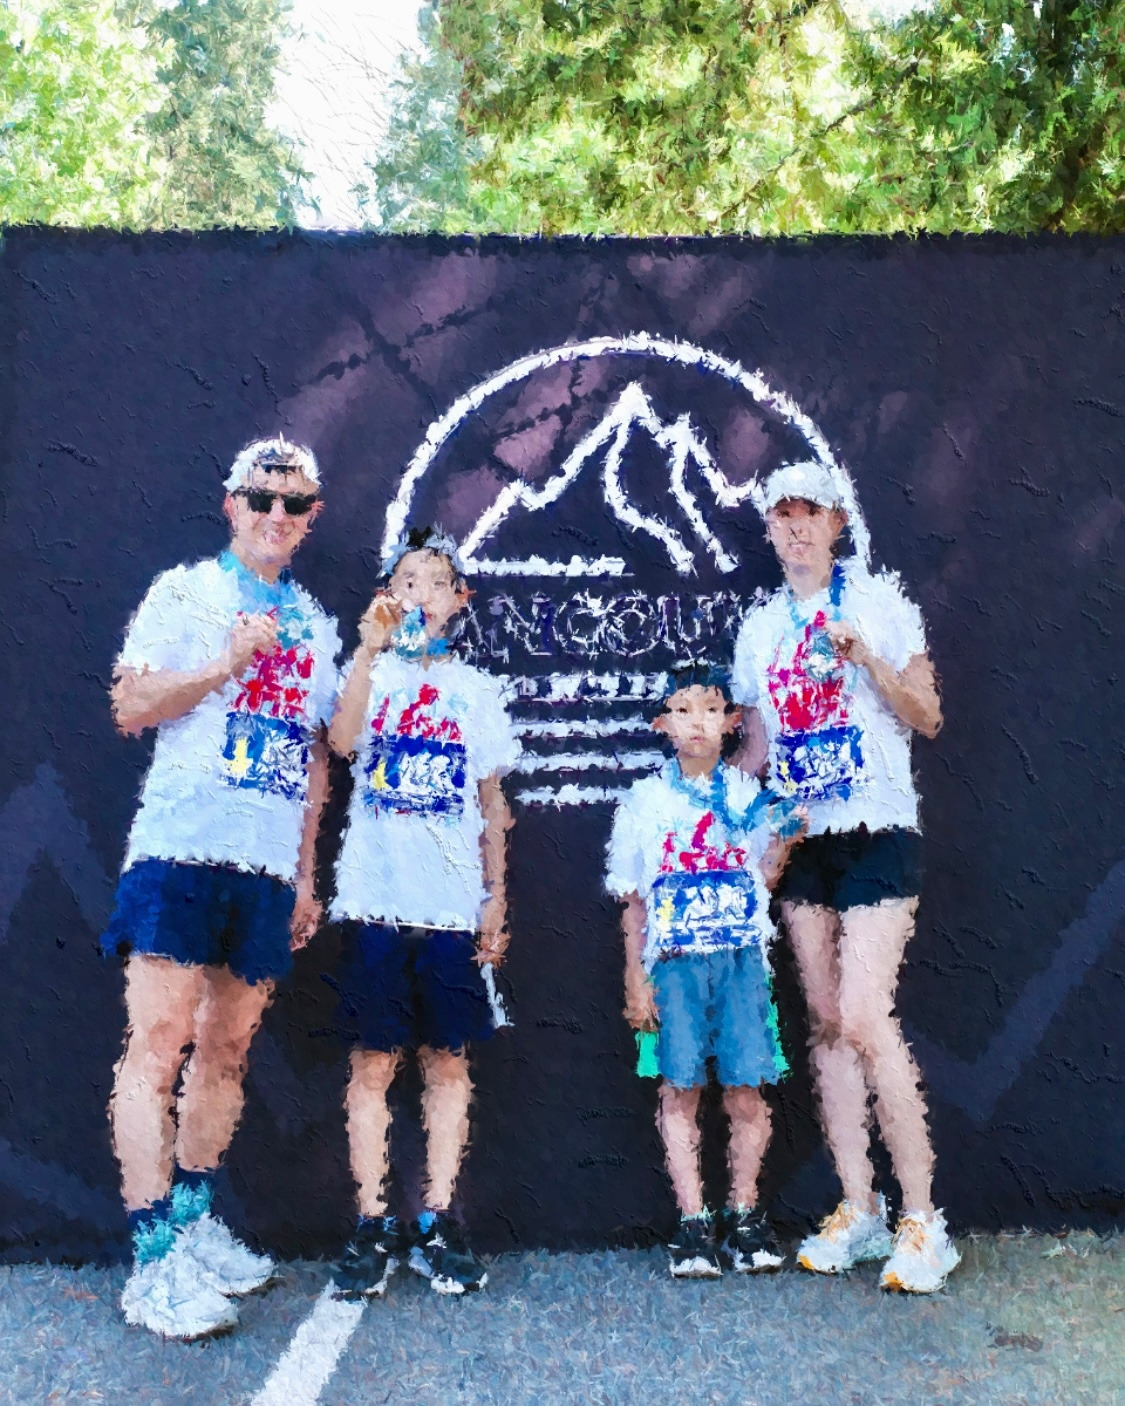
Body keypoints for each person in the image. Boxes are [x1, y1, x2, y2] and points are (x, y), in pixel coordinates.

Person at [102, 438, 340, 1339]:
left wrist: (305, 872)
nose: (276, 515)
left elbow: (314, 754)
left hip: (264, 865)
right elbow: (128, 706)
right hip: (180, 850)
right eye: (261, 498)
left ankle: (194, 1222)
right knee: (157, 1045)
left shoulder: (315, 622)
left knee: (228, 1049)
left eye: (293, 503)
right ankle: (152, 1259)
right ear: (232, 504)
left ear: (312, 517)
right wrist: (224, 664)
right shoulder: (185, 591)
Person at [732, 460, 959, 1294]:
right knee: (827, 1025)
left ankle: (924, 1220)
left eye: (811, 513)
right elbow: (756, 753)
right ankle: (860, 1207)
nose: (796, 527)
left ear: (836, 524)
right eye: (782, 514)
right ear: (769, 528)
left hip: (876, 830)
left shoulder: (879, 601)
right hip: (802, 840)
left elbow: (928, 717)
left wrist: (866, 660)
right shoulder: (759, 629)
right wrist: (726, 835)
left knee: (865, 1016)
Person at [326, 527, 518, 1298]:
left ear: (457, 599)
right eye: (408, 580)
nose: (421, 594)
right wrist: (367, 652)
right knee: (372, 1063)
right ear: (387, 593)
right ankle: (371, 1223)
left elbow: (492, 802)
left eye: (437, 581)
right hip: (376, 899)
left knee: (447, 1060)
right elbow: (342, 742)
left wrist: (495, 896)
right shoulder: (367, 672)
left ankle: (437, 1219)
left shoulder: (476, 689)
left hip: (448, 908)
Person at [607, 664, 801, 1279]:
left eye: (711, 709)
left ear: (732, 722)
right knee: (679, 1088)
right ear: (662, 724)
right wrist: (636, 978)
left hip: (741, 960)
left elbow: (763, 878)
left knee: (747, 1089)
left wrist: (785, 843)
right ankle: (693, 1222)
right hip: (673, 965)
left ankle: (744, 1214)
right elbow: (633, 899)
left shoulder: (749, 797)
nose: (698, 723)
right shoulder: (644, 802)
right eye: (683, 710)